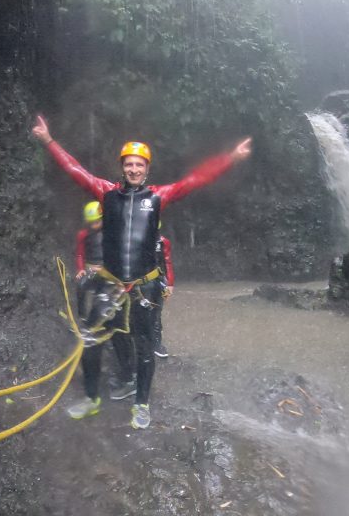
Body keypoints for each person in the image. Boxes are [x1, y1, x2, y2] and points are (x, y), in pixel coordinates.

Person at [32, 115, 251, 429]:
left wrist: (230, 159)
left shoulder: (158, 197)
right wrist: (48, 141)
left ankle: (142, 404)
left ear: (147, 169)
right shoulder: (106, 193)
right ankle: (92, 399)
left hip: (144, 287)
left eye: (139, 165)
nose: (134, 169)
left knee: (145, 347)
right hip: (112, 284)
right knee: (91, 339)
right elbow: (74, 170)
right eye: (129, 164)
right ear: (123, 167)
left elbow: (196, 180)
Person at [74, 201, 136, 401]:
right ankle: (84, 320)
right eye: (90, 222)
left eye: (96, 222)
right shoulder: (85, 235)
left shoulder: (113, 233)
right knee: (83, 290)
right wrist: (83, 269)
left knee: (119, 331)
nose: (94, 225)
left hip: (116, 284)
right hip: (99, 279)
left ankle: (129, 377)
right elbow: (81, 253)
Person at [153, 226, 174, 358]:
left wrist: (170, 285)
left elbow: (167, 263)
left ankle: (156, 344)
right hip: (135, 281)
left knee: (156, 313)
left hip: (157, 281)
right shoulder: (133, 239)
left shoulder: (163, 242)